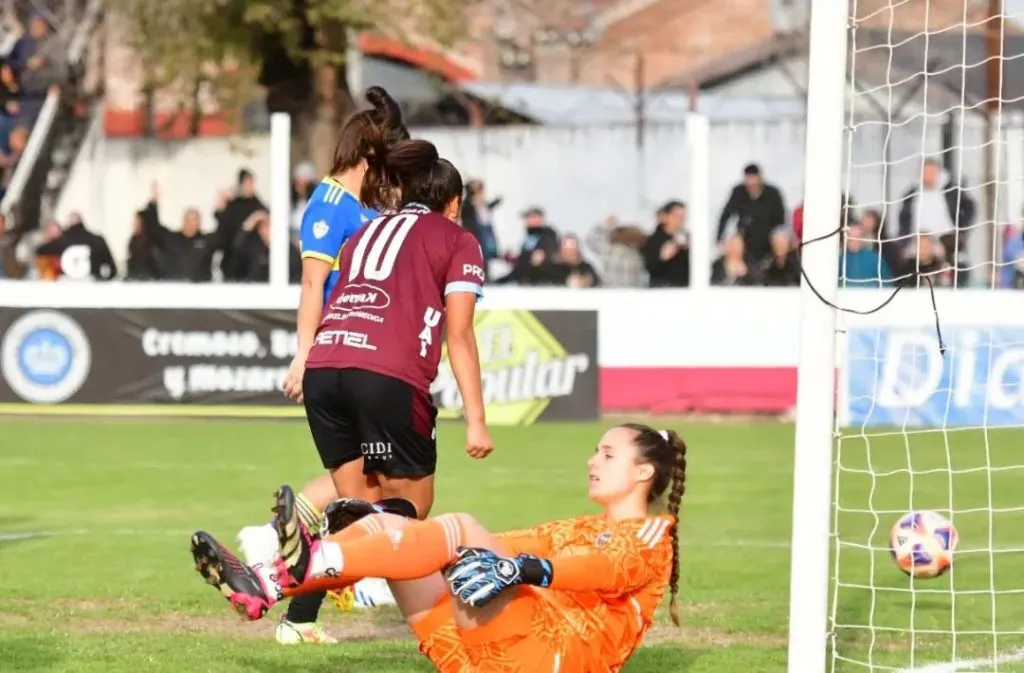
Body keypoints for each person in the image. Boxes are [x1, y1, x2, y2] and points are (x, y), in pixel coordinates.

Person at [190, 423, 686, 672]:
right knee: (397, 529)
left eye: (607, 453)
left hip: (552, 658)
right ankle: (269, 582)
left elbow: (601, 569)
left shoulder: (650, 535)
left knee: (459, 527)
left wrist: (526, 569)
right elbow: (511, 546)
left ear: (644, 472)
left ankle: (307, 562)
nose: (591, 460)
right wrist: (410, 543)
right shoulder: (579, 524)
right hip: (479, 655)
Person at [236, 86, 413, 644]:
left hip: (368, 353)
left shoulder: (366, 208)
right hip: (342, 355)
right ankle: (344, 571)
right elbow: (313, 283)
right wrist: (304, 353)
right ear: (369, 156)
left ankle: (278, 545)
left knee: (367, 477)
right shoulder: (329, 203)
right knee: (371, 481)